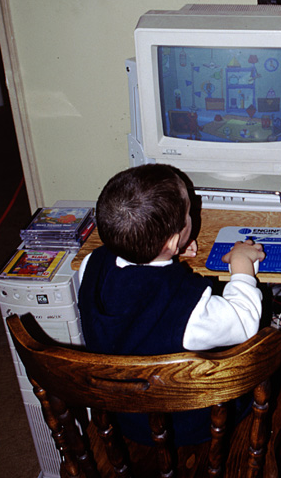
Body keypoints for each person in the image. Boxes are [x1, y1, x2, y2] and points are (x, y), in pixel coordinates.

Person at [78, 163, 265, 445]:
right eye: (189, 213)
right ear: (173, 240)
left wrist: (169, 254)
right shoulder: (189, 309)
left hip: (122, 416)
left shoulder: (91, 264)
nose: (193, 214)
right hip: (184, 424)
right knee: (268, 365)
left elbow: (135, 290)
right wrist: (241, 262)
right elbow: (245, 321)